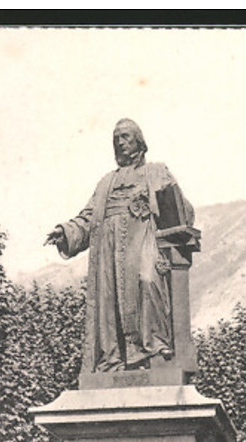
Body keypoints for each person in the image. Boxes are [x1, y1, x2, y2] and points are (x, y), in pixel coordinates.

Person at [45, 119, 194, 373]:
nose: (120, 143)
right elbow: (89, 216)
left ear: (139, 141)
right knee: (109, 300)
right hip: (109, 250)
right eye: (116, 139)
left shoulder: (155, 171)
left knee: (148, 280)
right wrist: (66, 231)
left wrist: (169, 192)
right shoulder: (106, 183)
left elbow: (183, 212)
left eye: (125, 137)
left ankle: (155, 346)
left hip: (143, 240)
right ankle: (112, 359)